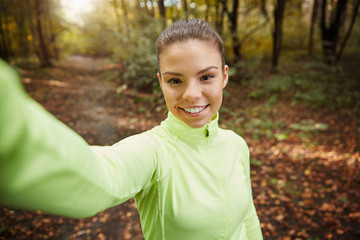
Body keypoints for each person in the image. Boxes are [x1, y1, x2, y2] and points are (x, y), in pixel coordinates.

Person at [0, 19, 263, 239]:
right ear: (161, 82)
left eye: (206, 76)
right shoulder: (153, 151)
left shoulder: (236, 144)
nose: (191, 94)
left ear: (224, 76)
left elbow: (248, 217)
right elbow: (99, 176)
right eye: (175, 80)